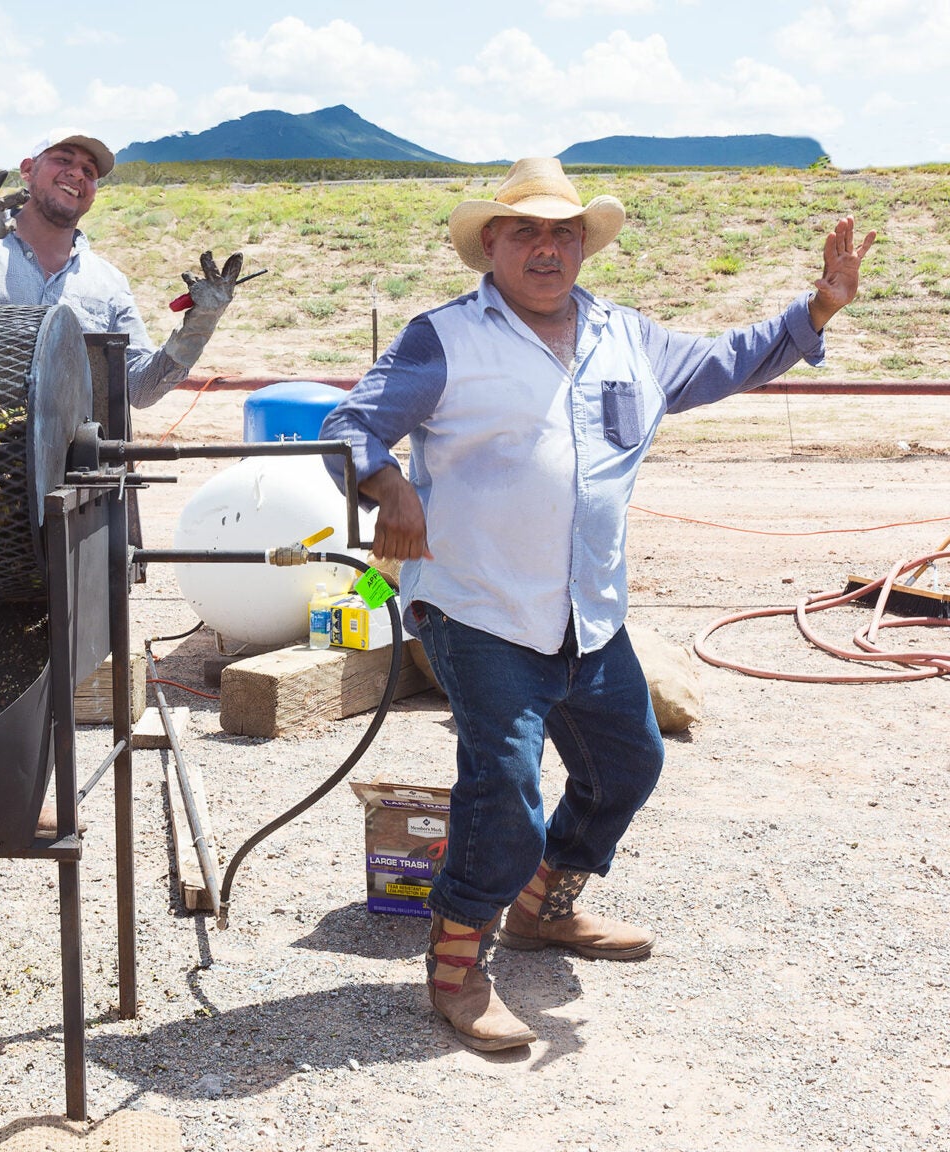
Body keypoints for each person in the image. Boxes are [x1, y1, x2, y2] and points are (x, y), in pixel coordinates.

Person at [321, 157, 873, 1052]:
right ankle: (457, 967)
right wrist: (391, 487)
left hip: (590, 613)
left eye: (564, 232)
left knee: (628, 765)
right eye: (527, 232)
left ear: (584, 245)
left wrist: (817, 311)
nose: (547, 248)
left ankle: (543, 905)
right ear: (490, 245)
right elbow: (351, 428)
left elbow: (724, 361)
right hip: (483, 609)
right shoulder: (445, 338)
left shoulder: (627, 338)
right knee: (503, 790)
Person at [0, 128, 242, 409]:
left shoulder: (109, 283)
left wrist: (200, 324)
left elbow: (139, 390)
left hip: (73, 473)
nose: (77, 174)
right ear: (28, 170)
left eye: (89, 170)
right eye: (63, 160)